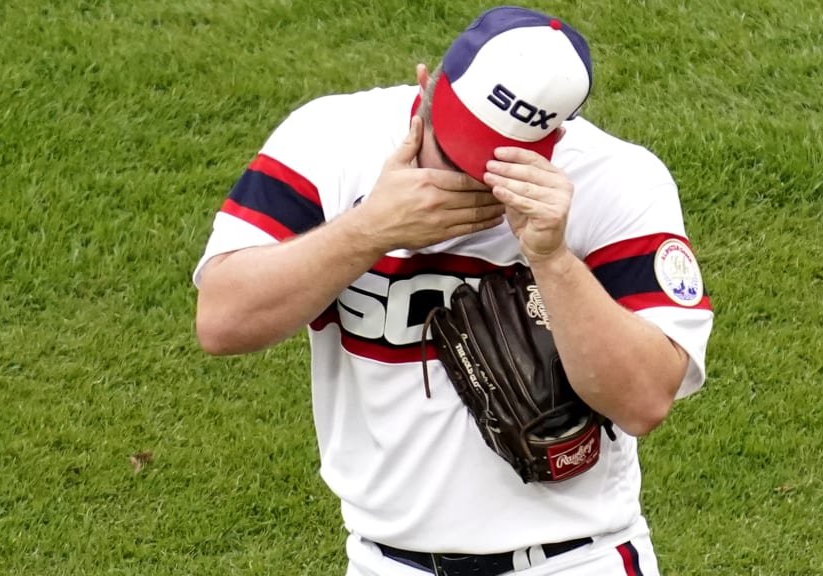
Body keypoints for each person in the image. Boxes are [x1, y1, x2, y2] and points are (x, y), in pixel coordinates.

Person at [193, 5, 713, 575]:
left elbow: (643, 401)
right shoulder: (332, 139)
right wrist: (371, 230)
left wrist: (552, 260)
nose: (465, 179)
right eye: (456, 147)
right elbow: (222, 321)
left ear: (553, 137)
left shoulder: (617, 179)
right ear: (430, 83)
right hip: (384, 563)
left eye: (495, 161)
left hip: (576, 559)